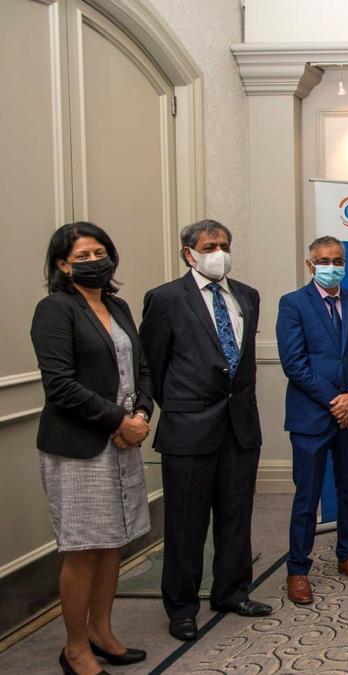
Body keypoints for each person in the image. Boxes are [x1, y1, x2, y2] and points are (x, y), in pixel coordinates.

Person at [140, 219, 271, 642]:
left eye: (225, 245)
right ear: (189, 253)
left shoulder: (247, 296)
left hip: (240, 426)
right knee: (186, 524)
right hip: (189, 429)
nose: (220, 253)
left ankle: (232, 592)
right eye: (210, 246)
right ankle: (182, 607)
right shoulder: (165, 299)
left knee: (236, 516)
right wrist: (184, 408)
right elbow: (153, 366)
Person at [31, 223, 152, 674]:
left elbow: (142, 368)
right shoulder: (54, 310)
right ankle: (76, 647)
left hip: (124, 442)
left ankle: (102, 632)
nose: (94, 261)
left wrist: (141, 415)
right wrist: (119, 421)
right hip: (79, 448)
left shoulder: (118, 306)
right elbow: (60, 385)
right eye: (82, 256)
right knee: (83, 549)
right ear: (63, 265)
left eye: (100, 252)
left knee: (113, 544)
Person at [277, 237, 348, 605]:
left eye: (337, 260)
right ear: (310, 265)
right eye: (323, 261)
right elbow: (294, 364)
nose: (331, 266)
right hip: (311, 417)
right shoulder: (292, 304)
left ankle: (347, 555)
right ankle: (297, 568)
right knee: (308, 496)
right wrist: (336, 401)